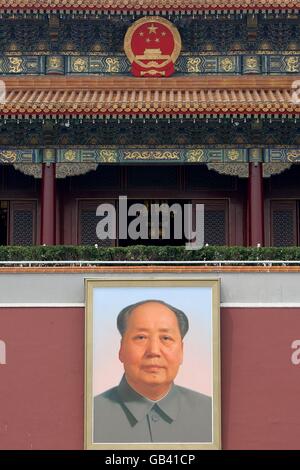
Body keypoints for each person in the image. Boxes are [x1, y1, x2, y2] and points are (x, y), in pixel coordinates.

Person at [94, 299, 212, 443]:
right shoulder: (90, 415)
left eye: (166, 338)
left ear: (181, 351)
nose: (154, 351)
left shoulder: (211, 413)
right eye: (141, 337)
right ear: (121, 349)